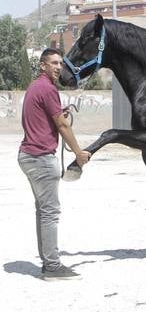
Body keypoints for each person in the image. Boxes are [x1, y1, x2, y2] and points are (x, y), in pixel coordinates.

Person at [18, 48, 91, 281]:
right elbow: (62, 126)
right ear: (42, 65)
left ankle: (47, 261)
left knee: (43, 210)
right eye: (54, 63)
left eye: (60, 63)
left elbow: (50, 117)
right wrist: (79, 153)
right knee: (50, 212)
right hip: (40, 158)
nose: (58, 67)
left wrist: (60, 112)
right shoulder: (48, 89)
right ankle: (52, 266)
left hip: (28, 155)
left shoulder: (35, 87)